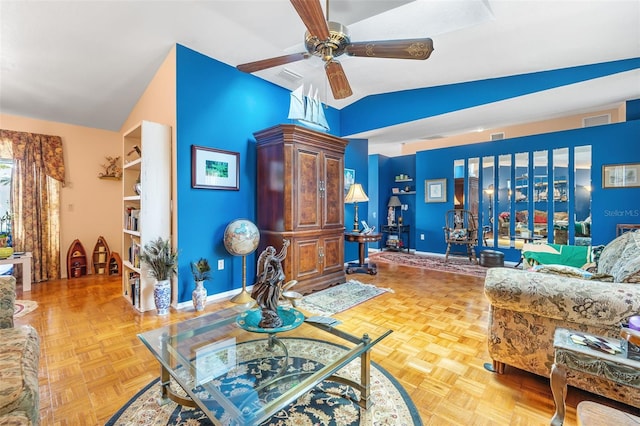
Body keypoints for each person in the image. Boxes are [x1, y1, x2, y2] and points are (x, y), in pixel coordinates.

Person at [251, 239, 290, 328]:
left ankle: (271, 312)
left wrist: (285, 246)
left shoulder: (265, 256)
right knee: (271, 296)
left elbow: (280, 257)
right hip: (273, 281)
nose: (274, 253)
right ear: (270, 252)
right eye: (273, 251)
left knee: (273, 296)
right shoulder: (270, 258)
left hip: (274, 279)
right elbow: (281, 256)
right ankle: (271, 313)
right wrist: (285, 246)